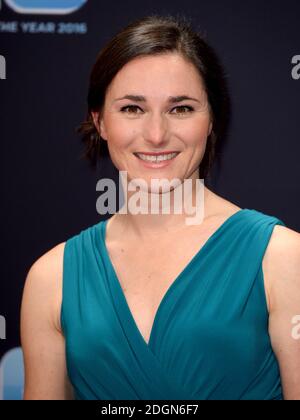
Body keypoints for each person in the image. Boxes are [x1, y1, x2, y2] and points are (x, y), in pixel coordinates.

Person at [20, 14, 300, 400]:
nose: (156, 135)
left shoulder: (283, 258)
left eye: (181, 108)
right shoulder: (51, 278)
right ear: (100, 122)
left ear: (211, 120)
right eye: (132, 109)